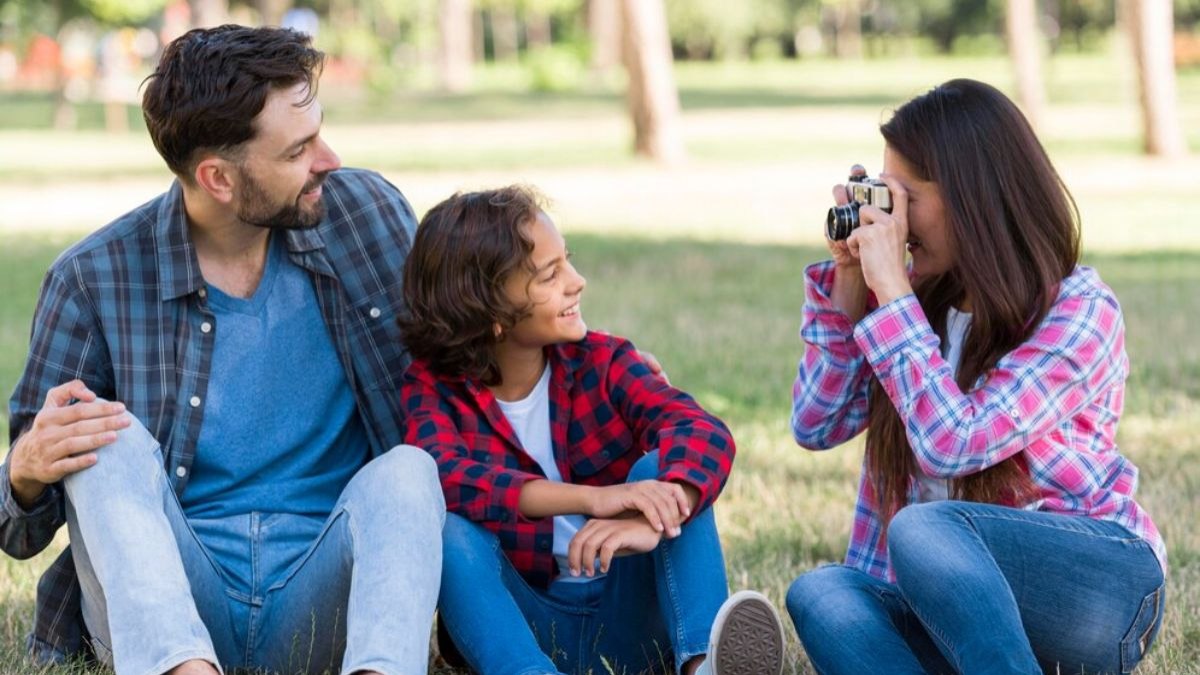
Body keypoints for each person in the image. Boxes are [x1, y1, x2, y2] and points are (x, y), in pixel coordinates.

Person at [1, 25, 445, 675]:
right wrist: (26, 467)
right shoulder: (95, 276)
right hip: (169, 603)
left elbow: (461, 369)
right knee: (106, 439)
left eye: (318, 132)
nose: (330, 159)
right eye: (298, 149)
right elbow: (17, 529)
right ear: (218, 177)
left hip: (326, 599)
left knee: (409, 469)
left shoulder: (367, 213)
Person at [785, 78, 1167, 674]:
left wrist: (892, 293)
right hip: (951, 610)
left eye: (905, 196)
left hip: (1095, 590)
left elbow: (954, 443)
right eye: (884, 195)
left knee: (922, 530)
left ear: (973, 197)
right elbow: (815, 424)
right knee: (823, 594)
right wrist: (856, 284)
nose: (895, 219)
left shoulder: (1078, 309)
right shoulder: (912, 307)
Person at [397, 186, 786, 675]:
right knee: (447, 528)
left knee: (667, 468)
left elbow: (701, 430)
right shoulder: (434, 389)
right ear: (491, 313)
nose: (577, 282)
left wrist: (655, 517)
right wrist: (590, 499)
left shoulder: (602, 362)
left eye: (569, 262)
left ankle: (704, 663)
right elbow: (448, 478)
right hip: (522, 626)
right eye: (550, 275)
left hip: (626, 623)